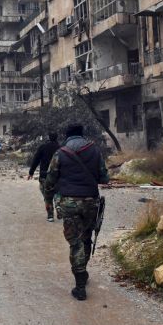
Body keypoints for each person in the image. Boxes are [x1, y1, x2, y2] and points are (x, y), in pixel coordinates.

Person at [44, 124, 109, 301]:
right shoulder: (94, 150)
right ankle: (83, 271)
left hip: (69, 203)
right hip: (91, 202)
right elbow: (104, 178)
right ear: (82, 134)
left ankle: (80, 286)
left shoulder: (60, 153)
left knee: (75, 243)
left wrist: (50, 195)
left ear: (67, 135)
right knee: (86, 238)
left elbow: (50, 179)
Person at [28, 132, 60, 222]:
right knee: (58, 193)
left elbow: (36, 159)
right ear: (57, 138)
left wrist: (31, 172)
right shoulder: (61, 148)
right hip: (58, 176)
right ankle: (59, 208)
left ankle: (50, 215)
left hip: (44, 175)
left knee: (47, 195)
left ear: (48, 137)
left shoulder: (43, 147)